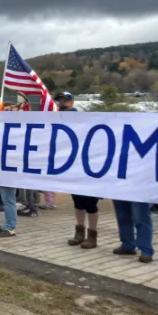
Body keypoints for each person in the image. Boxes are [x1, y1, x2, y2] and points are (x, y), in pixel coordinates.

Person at [57, 92, 99, 249]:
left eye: (66, 100)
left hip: (88, 166)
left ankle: (92, 235)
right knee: (78, 202)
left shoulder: (79, 117)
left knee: (90, 204)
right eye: (60, 100)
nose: (63, 103)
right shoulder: (56, 117)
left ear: (72, 102)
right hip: (72, 166)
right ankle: (79, 232)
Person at [112, 197, 154, 263]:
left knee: (141, 217)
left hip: (139, 189)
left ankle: (146, 251)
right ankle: (127, 245)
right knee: (122, 216)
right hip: (119, 189)